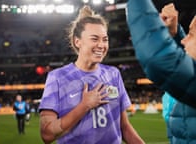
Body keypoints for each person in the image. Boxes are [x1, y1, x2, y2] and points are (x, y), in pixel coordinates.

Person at [39, 5, 145, 144]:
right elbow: (47, 135)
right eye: (95, 39)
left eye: (105, 39)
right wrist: (84, 106)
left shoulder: (113, 74)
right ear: (78, 42)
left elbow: (124, 127)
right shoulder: (57, 78)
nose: (101, 45)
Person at [127, 0, 196, 143]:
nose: (184, 40)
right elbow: (191, 71)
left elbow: (160, 62)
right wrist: (174, 34)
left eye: (191, 34)